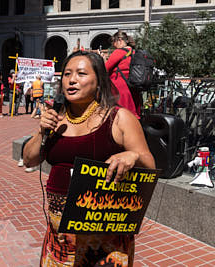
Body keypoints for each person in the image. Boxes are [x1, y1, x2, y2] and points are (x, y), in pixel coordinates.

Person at [23, 50, 155, 266]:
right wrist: (41, 132)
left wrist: (132, 156)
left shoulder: (119, 118)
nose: (72, 80)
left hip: (104, 235)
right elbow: (29, 160)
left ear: (99, 82)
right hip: (59, 235)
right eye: (67, 74)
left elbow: (149, 164)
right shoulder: (56, 118)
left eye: (81, 74)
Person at [105, 30, 140, 118]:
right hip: (133, 88)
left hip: (119, 89)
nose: (113, 46)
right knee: (132, 116)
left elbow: (105, 68)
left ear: (119, 40)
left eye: (114, 42)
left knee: (119, 116)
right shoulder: (135, 53)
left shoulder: (119, 52)